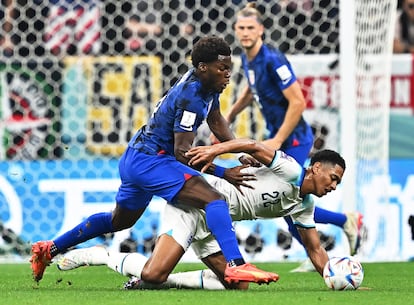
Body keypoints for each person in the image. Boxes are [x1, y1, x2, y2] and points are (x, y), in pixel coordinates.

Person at [29, 36, 279, 285]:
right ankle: (236, 264)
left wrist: (238, 151)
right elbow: (182, 153)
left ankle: (48, 249)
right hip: (152, 161)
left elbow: (215, 120)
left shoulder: (206, 86)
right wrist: (224, 173)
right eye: (222, 68)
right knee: (214, 199)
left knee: (119, 220)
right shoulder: (191, 96)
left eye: (229, 68)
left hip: (135, 157)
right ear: (203, 67)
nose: (228, 74)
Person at [56, 145, 346, 290]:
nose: (333, 186)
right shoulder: (291, 170)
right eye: (332, 178)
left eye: (337, 184)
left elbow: (315, 249)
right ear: (316, 167)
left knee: (238, 286)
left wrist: (334, 278)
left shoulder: (303, 205)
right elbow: (253, 144)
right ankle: (99, 255)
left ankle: (173, 279)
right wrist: (215, 151)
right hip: (196, 203)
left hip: (217, 224)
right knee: (152, 275)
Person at [219, 2, 362, 271]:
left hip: (294, 137)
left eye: (251, 28)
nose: (245, 32)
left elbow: (297, 102)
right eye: (241, 28)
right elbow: (252, 90)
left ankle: (342, 224)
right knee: (286, 200)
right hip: (278, 136)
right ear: (236, 30)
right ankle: (326, 242)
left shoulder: (274, 59)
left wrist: (276, 140)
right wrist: (231, 115)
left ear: (261, 29)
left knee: (292, 199)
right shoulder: (248, 58)